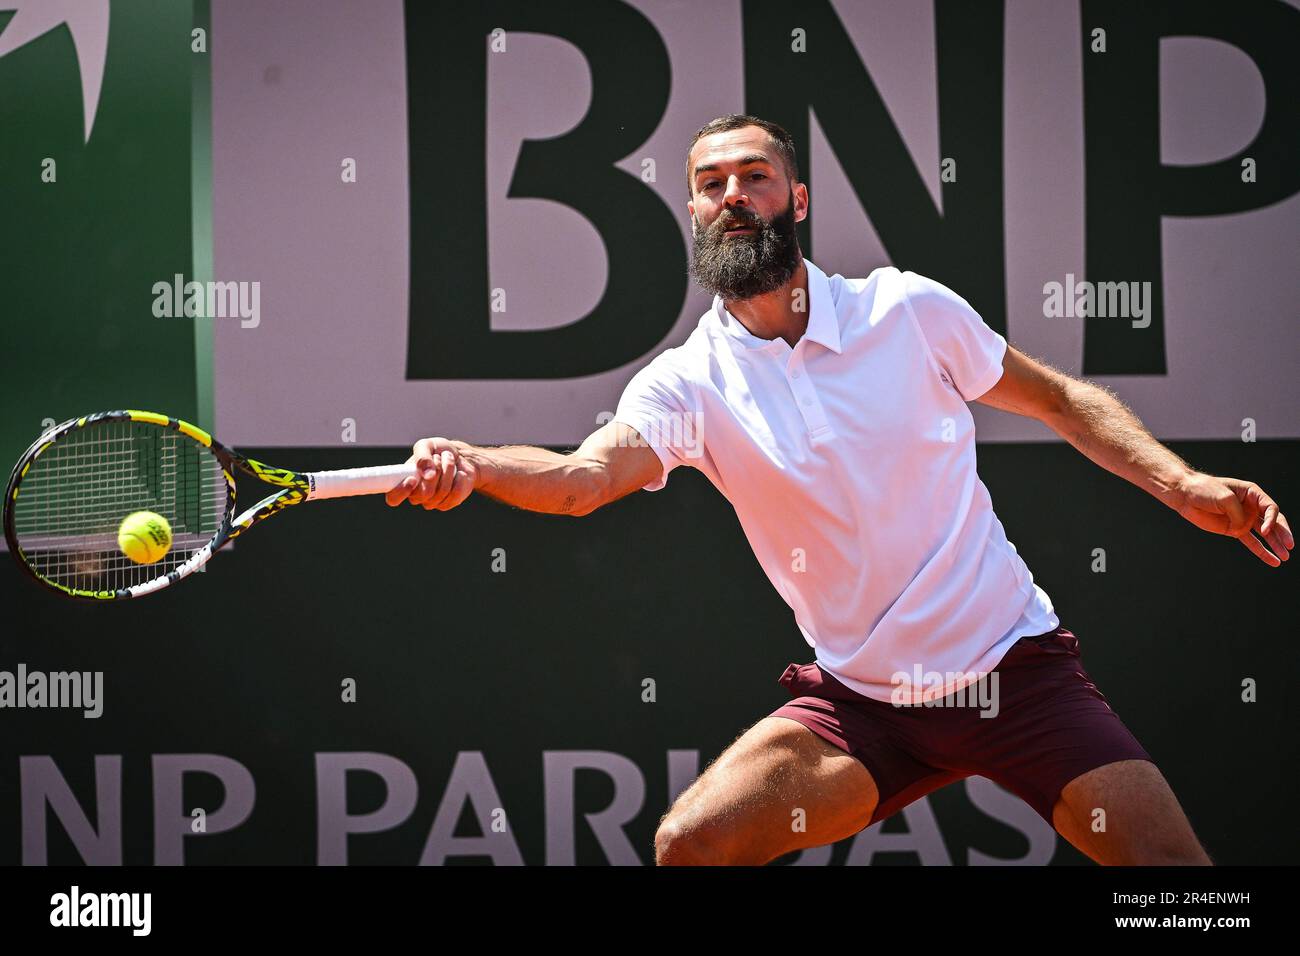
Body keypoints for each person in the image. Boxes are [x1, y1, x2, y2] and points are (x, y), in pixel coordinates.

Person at [386, 114, 1292, 866]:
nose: (732, 195)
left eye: (755, 176)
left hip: (1014, 679)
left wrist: (1185, 486)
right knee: (688, 847)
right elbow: (583, 480)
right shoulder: (687, 384)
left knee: (1183, 892)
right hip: (864, 710)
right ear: (694, 212)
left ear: (798, 199)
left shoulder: (905, 310)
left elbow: (1058, 398)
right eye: (710, 184)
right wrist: (476, 464)